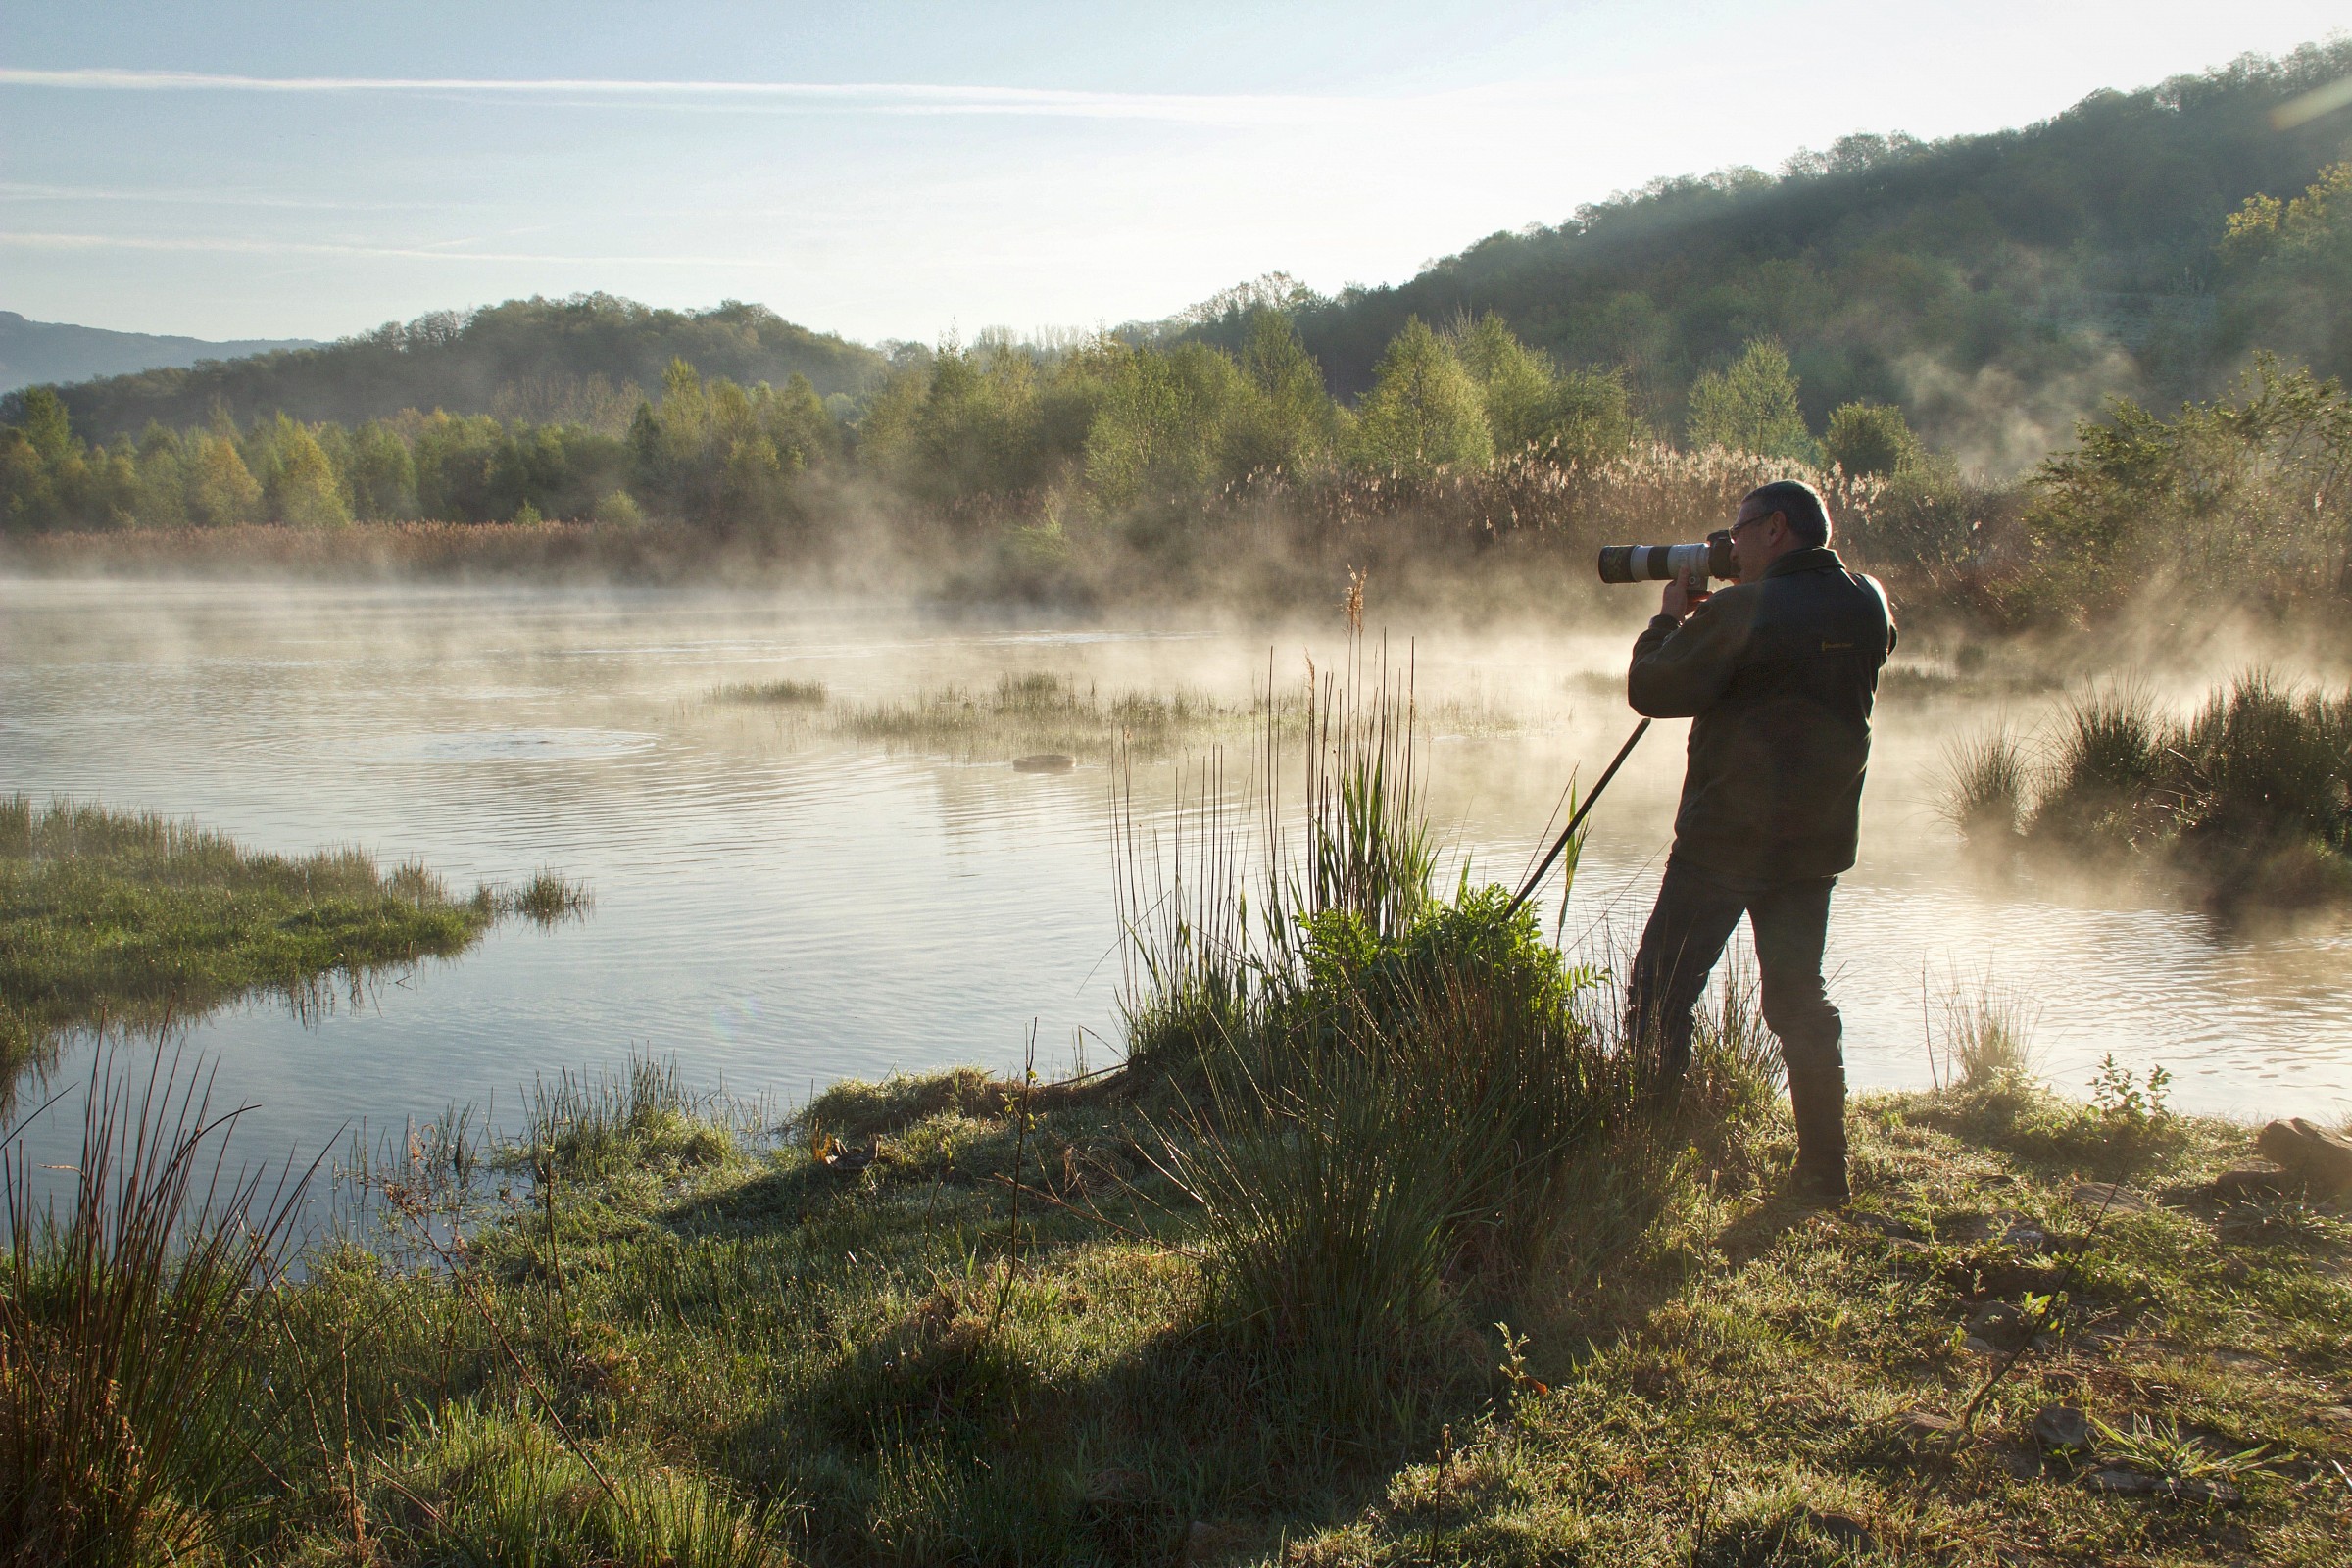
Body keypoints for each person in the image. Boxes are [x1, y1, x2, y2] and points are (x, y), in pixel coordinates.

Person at [1623, 478, 1895, 1201]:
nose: (1730, 545)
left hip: (1725, 842)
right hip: (1815, 842)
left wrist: (1671, 624)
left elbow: (1653, 689)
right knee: (1799, 999)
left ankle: (1648, 1161)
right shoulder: (1867, 601)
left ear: (1776, 528)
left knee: (1660, 993)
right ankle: (1823, 1172)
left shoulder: (1744, 609)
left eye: (1739, 530)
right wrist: (1728, 626)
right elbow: (1842, 647)